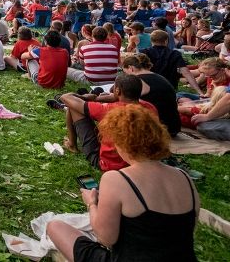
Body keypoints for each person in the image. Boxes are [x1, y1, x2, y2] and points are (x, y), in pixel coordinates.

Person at [47, 106, 198, 262]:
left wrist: (92, 204)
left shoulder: (116, 179)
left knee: (55, 227)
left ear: (121, 142)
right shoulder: (184, 177)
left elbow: (105, 238)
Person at [59, 74, 157, 171]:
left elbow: (65, 97)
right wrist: (107, 98)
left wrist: (85, 97)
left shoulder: (109, 110)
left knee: (73, 107)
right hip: (139, 161)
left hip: (109, 164)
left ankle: (72, 145)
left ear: (117, 91)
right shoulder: (150, 107)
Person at [122, 54, 181, 136]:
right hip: (173, 125)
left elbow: (128, 99)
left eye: (126, 72)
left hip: (159, 128)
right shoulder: (159, 77)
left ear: (131, 68)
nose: (126, 76)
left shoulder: (138, 80)